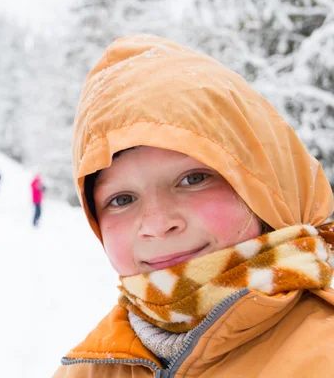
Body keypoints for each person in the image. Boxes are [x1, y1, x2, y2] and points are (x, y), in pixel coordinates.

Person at [53, 35, 334, 377]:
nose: (157, 224)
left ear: (265, 184)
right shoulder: (89, 369)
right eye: (121, 200)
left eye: (193, 179)